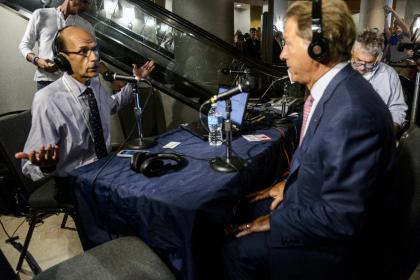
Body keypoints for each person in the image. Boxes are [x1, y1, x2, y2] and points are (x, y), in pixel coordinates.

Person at [223, 1, 397, 279]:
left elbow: (342, 219)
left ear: (319, 49)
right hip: (309, 203)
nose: (282, 55)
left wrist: (276, 222)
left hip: (331, 251)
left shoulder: (352, 113)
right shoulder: (335, 89)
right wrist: (287, 186)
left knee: (233, 250)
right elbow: (325, 165)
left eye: (288, 44)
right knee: (237, 207)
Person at [15, 26, 155, 202]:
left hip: (104, 168)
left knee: (150, 182)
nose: (95, 57)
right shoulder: (47, 99)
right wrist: (45, 166)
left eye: (95, 49)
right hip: (74, 182)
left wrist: (135, 82)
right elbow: (28, 166)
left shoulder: (94, 84)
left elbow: (112, 105)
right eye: (83, 51)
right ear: (63, 59)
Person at [351, 29, 407, 132]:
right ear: (352, 52)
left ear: (379, 58)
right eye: (358, 60)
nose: (363, 68)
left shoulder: (389, 75)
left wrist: (390, 131)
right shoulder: (341, 69)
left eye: (369, 63)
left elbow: (397, 109)